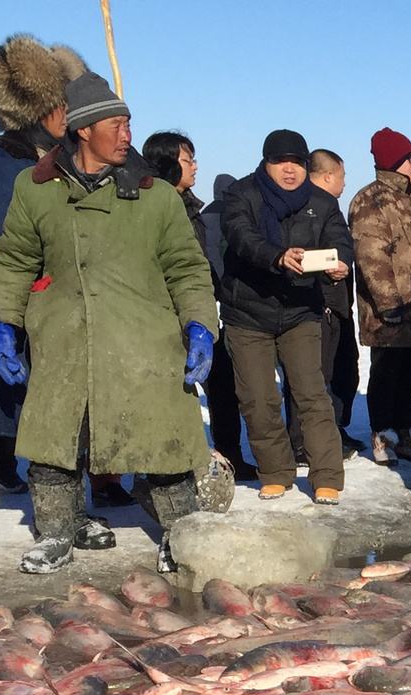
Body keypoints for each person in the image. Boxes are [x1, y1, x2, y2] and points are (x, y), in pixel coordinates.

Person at [0, 69, 218, 574]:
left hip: (145, 339)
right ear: (83, 129)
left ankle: (183, 536)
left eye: (129, 123)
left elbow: (187, 266)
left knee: (164, 446)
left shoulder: (155, 194)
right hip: (65, 336)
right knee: (56, 443)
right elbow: (15, 259)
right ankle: (56, 533)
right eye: (117, 123)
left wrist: (200, 323)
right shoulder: (35, 188)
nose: (128, 134)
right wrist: (3, 320)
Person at [0, 35, 86, 497]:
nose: (69, 117)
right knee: (16, 394)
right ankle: (11, 467)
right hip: (28, 296)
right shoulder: (4, 165)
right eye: (62, 108)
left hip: (63, 300)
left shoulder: (62, 161)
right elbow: (11, 242)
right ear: (41, 113)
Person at [219, 128, 352, 505]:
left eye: (296, 163)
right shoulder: (242, 194)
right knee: (258, 398)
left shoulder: (322, 202)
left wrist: (341, 262)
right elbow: (241, 237)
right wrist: (277, 256)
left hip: (300, 311)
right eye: (280, 162)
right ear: (266, 163)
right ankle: (275, 471)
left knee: (311, 394)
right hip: (247, 311)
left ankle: (326, 474)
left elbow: (340, 239)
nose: (289, 170)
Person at [145, 129, 251, 478]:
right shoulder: (149, 206)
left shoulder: (192, 208)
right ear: (167, 164)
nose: (195, 167)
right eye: (188, 160)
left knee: (222, 384)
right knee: (166, 395)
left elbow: (198, 262)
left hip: (199, 315)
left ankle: (229, 456)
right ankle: (161, 470)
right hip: (161, 320)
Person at [350, 128, 411, 466]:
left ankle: (404, 434)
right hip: (390, 312)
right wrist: (389, 304)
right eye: (408, 159)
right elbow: (371, 257)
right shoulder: (370, 200)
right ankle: (382, 435)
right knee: (387, 374)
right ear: (393, 161)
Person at [308, 151, 361, 450]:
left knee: (345, 369)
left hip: (339, 304)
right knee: (321, 374)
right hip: (321, 304)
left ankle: (337, 429)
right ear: (329, 175)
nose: (344, 182)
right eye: (342, 175)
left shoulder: (330, 207)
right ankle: (316, 438)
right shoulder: (306, 205)